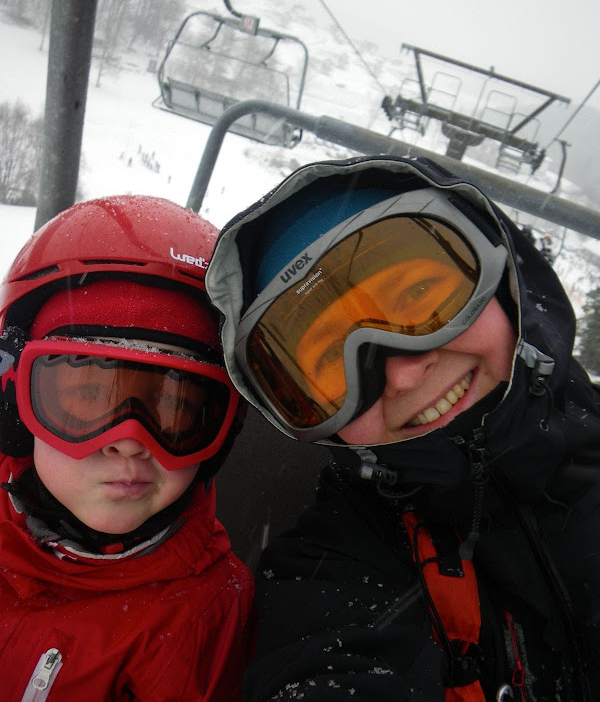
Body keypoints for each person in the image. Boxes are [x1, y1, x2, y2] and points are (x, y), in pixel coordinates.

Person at [205, 154, 600, 701]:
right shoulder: (337, 563)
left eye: (420, 296)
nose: (404, 374)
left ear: (505, 280)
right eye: (332, 361)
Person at [0, 195, 255, 701]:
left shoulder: (206, 613)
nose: (130, 443)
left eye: (174, 408)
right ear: (16, 407)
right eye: (87, 397)